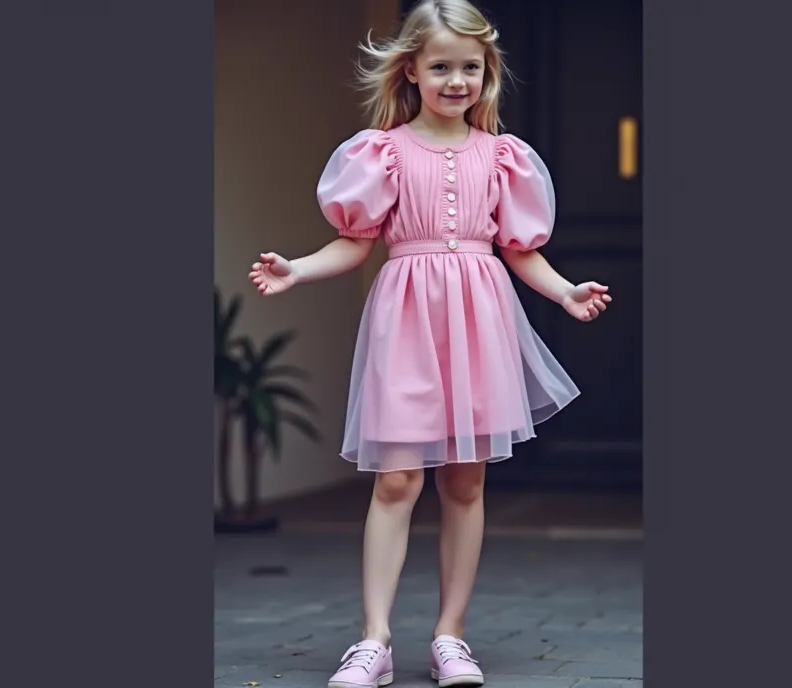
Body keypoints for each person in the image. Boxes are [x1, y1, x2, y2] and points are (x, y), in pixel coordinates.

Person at [248, 1, 611, 685]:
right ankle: (374, 641)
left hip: (480, 319)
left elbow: (518, 248)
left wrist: (563, 291)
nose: (456, 80)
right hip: (407, 319)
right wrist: (296, 269)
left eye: (469, 67)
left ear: (486, 72)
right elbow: (355, 245)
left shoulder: (502, 157)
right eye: (441, 66)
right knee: (397, 479)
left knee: (466, 480)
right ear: (411, 68)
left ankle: (451, 637)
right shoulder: (380, 153)